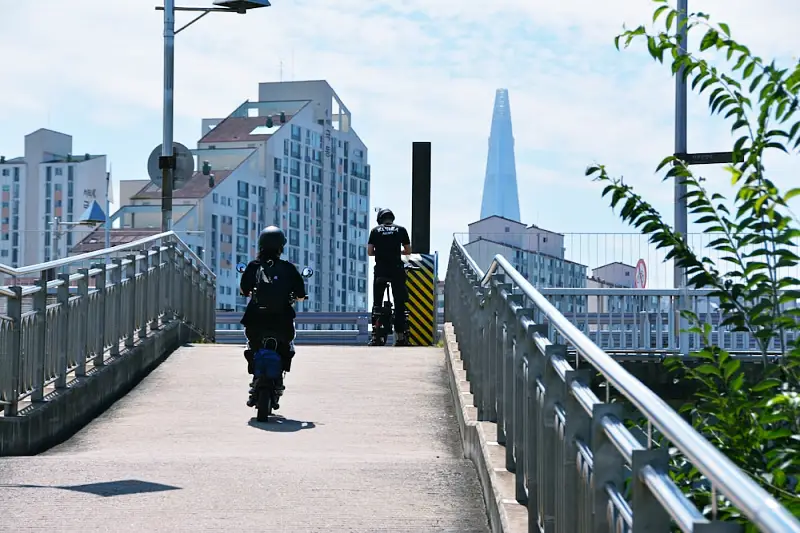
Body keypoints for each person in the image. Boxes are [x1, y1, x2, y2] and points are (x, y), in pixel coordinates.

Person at [239, 226, 307, 408]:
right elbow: (300, 294)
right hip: (282, 320)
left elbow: (244, 290)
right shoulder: (288, 268)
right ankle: (278, 380)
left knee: (253, 345)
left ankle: (256, 376)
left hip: (255, 320)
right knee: (286, 346)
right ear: (281, 247)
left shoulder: (254, 267)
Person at [367, 208, 412, 346]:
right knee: (399, 303)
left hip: (381, 271)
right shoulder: (401, 230)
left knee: (377, 303)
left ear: (380, 219)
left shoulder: (375, 231)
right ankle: (399, 336)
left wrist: (381, 252)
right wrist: (396, 251)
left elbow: (370, 252)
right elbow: (408, 251)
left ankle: (375, 334)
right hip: (396, 271)